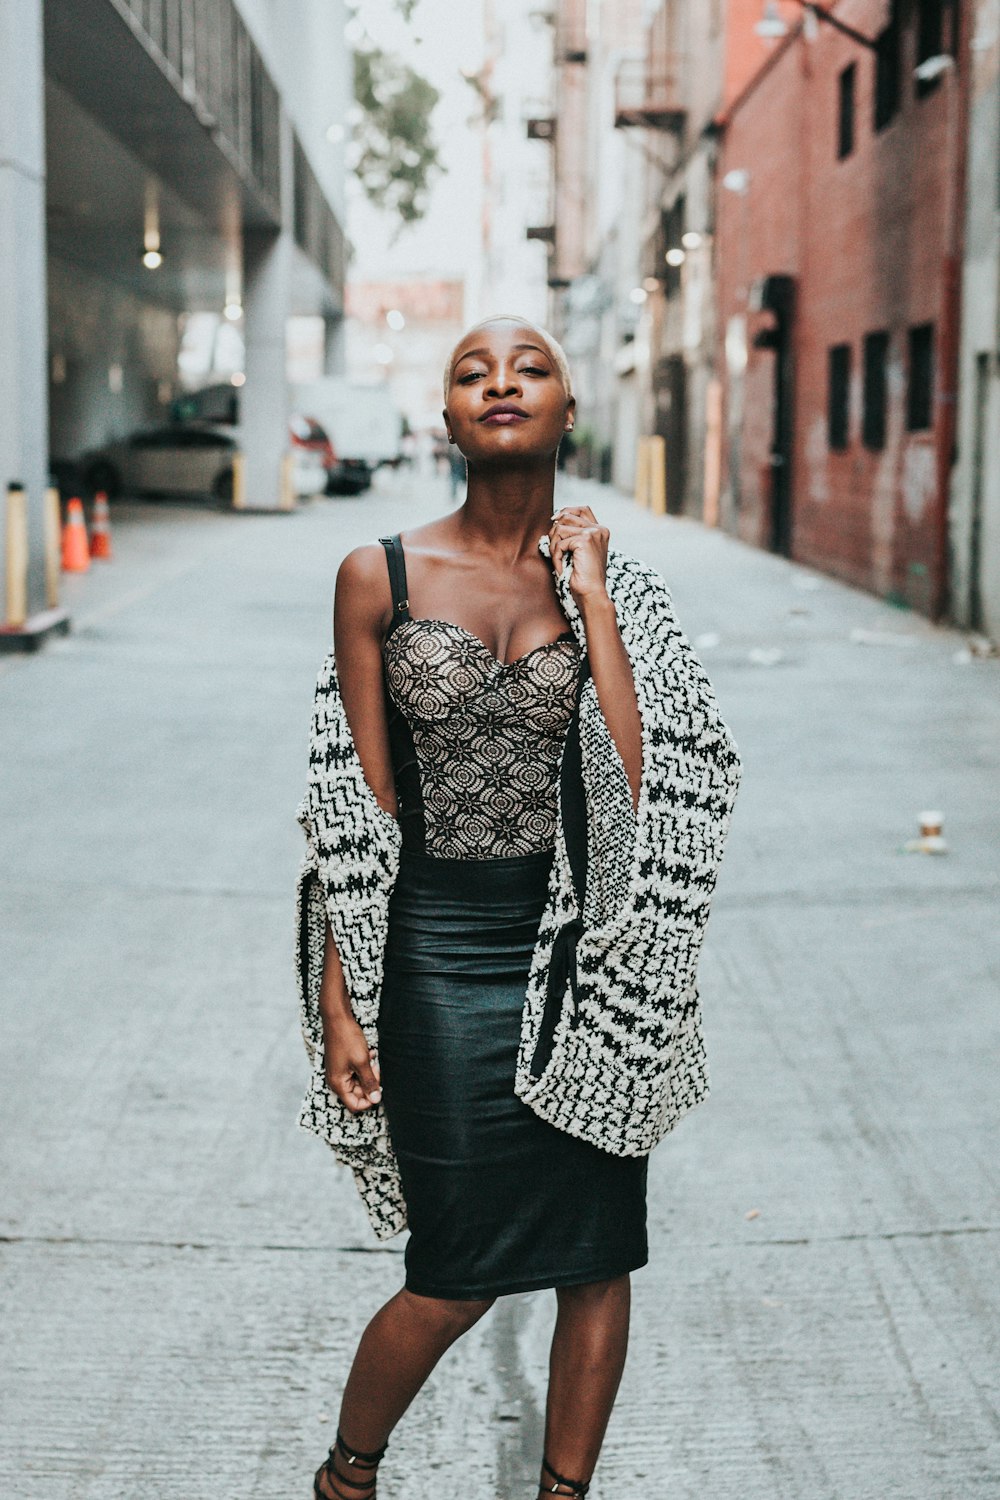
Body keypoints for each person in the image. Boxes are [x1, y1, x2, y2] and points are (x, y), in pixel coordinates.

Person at [296, 316, 741, 1499]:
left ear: (567, 412)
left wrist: (590, 598)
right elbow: (354, 811)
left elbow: (637, 784)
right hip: (436, 951)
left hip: (584, 964)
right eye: (472, 371)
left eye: (530, 367)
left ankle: (563, 1496)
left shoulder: (620, 589)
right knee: (455, 1272)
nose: (500, 383)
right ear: (444, 417)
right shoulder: (376, 574)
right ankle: (348, 1477)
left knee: (596, 1262)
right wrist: (344, 1003)